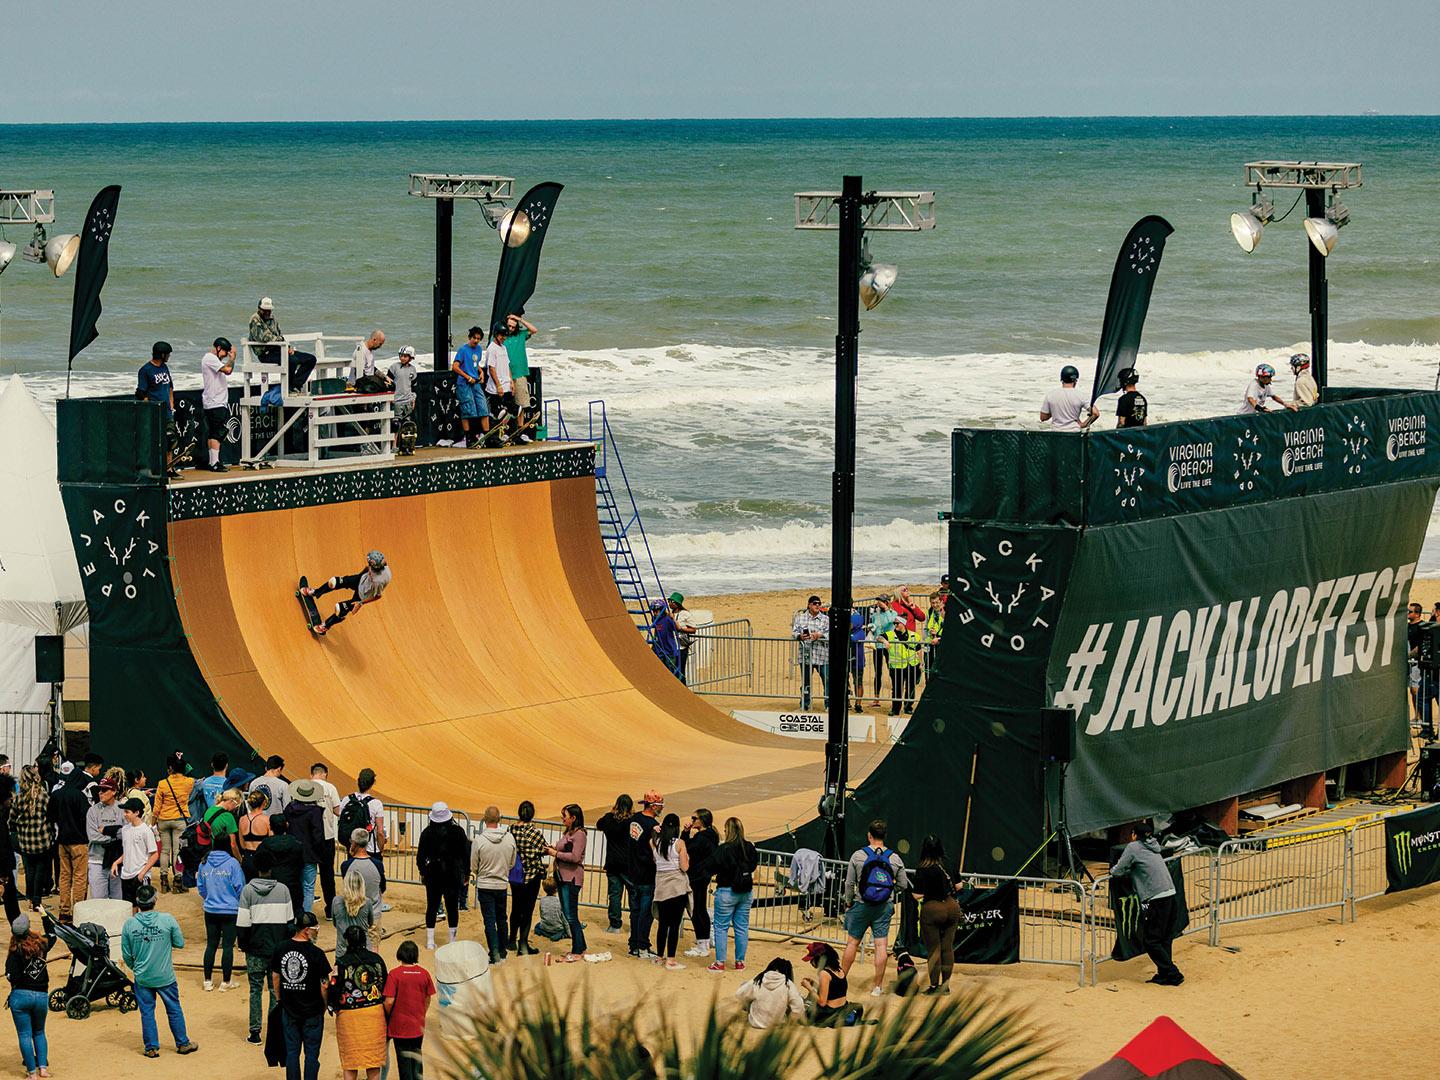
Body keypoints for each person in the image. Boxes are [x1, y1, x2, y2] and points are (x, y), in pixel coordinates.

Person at [121, 884, 200, 1058]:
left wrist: (137, 968)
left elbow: (126, 954)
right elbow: (179, 943)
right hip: (165, 976)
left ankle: (151, 1047)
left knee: (147, 1012)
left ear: (137, 902)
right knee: (174, 1009)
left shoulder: (129, 924)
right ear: (155, 900)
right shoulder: (168, 919)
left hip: (142, 977)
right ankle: (183, 1043)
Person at [840, 819, 910, 996]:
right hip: (884, 906)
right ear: (885, 836)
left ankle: (840, 978)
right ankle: (877, 986)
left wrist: (848, 902)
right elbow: (903, 884)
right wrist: (889, 892)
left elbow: (849, 883)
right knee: (881, 945)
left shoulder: (858, 856)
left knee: (852, 943)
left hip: (861, 904)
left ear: (869, 835)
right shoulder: (894, 858)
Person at [1110, 819, 1184, 986]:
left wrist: (1113, 871)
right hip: (1170, 893)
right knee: (1164, 938)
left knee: (1151, 940)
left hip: (1158, 897)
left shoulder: (1133, 847)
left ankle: (1173, 973)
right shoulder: (1154, 846)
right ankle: (1164, 974)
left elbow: (1119, 869)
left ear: (1134, 835)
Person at [237, 848, 292, 1044]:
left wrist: (244, 945)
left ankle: (255, 1032)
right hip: (277, 949)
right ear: (272, 867)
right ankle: (274, 1031)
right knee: (275, 990)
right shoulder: (283, 890)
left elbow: (242, 924)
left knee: (255, 990)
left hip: (255, 948)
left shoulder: (248, 891)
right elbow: (290, 924)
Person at [271, 911, 331, 1080]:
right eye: (315, 929)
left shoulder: (281, 948)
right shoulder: (317, 953)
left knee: (292, 1053)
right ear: (306, 930)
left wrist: (279, 998)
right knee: (311, 1055)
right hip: (312, 1011)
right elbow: (324, 985)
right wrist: (324, 1005)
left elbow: (276, 976)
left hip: (289, 1009)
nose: (317, 932)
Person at [329, 924, 388, 1080]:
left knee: (350, 1060)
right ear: (365, 940)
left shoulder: (341, 962)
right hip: (374, 1013)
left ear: (347, 941)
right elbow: (385, 985)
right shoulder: (377, 960)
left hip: (349, 1016)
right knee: (373, 1059)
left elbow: (334, 988)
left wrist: (334, 1007)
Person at [6, 910, 56, 1078]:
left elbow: (12, 977)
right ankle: (43, 1068)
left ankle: (32, 1073)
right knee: (39, 1032)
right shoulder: (41, 945)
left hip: (20, 997)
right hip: (41, 995)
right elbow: (53, 933)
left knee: (24, 1034)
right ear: (28, 929)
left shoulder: (14, 952)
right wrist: (44, 915)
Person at [707, 816, 757, 973]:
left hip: (727, 891)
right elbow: (753, 865)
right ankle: (740, 961)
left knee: (721, 927)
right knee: (742, 927)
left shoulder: (724, 848)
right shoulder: (749, 847)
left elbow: (712, 866)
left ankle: (720, 962)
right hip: (745, 891)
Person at [911, 834, 961, 994]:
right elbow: (959, 885)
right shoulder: (949, 863)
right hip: (952, 907)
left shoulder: (923, 868)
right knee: (948, 948)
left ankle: (934, 985)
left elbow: (916, 895)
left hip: (932, 909)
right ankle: (946, 986)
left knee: (934, 949)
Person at [415, 801, 468, 950]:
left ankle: (430, 941)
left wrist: (423, 872)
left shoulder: (427, 832)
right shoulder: (458, 832)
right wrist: (466, 874)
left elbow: (420, 858)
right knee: (452, 907)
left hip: (433, 873)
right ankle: (452, 940)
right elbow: (465, 855)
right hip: (452, 873)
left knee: (432, 906)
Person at [196, 835, 245, 991]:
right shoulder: (233, 863)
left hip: (210, 909)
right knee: (228, 946)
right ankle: (225, 982)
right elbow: (240, 887)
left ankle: (207, 981)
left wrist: (210, 898)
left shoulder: (204, 863)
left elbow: (201, 888)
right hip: (230, 910)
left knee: (211, 944)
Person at [302, 552, 392, 637]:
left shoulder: (378, 581)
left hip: (362, 595)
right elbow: (368, 567)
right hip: (360, 579)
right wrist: (357, 577)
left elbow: (378, 596)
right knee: (334, 582)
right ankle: (314, 592)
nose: (369, 565)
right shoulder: (381, 562)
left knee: (340, 609)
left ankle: (325, 626)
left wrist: (360, 603)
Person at [383, 940, 435, 1080]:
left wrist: (389, 1015)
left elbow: (389, 1001)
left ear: (400, 954)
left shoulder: (394, 974)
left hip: (399, 1025)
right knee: (416, 1057)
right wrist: (422, 1013)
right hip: (418, 1024)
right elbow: (428, 998)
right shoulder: (424, 973)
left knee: (404, 1061)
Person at [470, 806, 515, 965]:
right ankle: (502, 952)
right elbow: (512, 862)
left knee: (489, 920)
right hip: (501, 883)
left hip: (485, 884)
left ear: (485, 819)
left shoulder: (479, 840)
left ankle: (494, 953)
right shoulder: (509, 838)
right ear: (499, 819)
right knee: (502, 918)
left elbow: (474, 865)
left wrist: (482, 872)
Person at [48, 761, 91, 918]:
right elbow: (87, 817)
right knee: (79, 877)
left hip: (62, 841)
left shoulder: (56, 794)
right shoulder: (79, 796)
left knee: (64, 877)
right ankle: (78, 911)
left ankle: (64, 912)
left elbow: (50, 816)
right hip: (79, 841)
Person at [249, 296, 317, 391]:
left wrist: (288, 347)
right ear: (259, 309)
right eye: (265, 310)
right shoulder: (255, 319)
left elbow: (279, 335)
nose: (267, 312)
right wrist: (280, 341)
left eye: (269, 310)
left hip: (279, 349)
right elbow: (265, 337)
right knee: (292, 360)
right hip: (266, 354)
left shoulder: (273, 319)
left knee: (310, 359)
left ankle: (295, 385)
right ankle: (288, 387)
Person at [507, 801, 549, 956]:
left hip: (515, 875)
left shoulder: (510, 829)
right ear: (532, 815)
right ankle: (523, 944)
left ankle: (511, 940)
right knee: (527, 910)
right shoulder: (534, 833)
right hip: (531, 875)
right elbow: (544, 849)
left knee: (516, 907)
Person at [547, 803, 588, 962]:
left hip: (571, 878)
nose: (562, 818)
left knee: (571, 916)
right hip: (563, 877)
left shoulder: (580, 835)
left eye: (565, 816)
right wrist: (553, 849)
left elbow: (575, 857)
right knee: (569, 914)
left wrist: (555, 853)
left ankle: (577, 950)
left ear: (574, 817)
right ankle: (581, 947)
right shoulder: (570, 832)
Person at [650, 812, 690, 970]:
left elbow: (654, 851)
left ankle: (659, 956)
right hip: (676, 887)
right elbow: (684, 867)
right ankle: (671, 959)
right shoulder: (680, 844)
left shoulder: (655, 843)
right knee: (674, 925)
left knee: (663, 924)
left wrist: (655, 831)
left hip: (661, 887)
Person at [9, 767, 50, 913]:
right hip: (42, 840)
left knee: (29, 870)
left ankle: (30, 899)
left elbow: (11, 820)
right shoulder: (43, 795)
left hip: (25, 840)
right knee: (40, 871)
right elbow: (50, 815)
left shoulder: (19, 798)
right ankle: (37, 901)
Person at [136, 341, 180, 479]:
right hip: (154, 412)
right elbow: (141, 394)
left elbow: (170, 387)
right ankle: (152, 470)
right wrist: (148, 412)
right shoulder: (145, 370)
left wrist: (171, 406)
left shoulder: (165, 368)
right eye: (167, 354)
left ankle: (169, 468)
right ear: (161, 354)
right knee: (154, 442)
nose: (169, 356)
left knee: (170, 439)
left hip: (167, 412)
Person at [626, 791, 662, 959]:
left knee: (635, 911)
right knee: (645, 913)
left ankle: (634, 945)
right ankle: (642, 946)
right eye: (660, 806)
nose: (660, 809)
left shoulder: (634, 819)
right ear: (654, 806)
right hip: (647, 874)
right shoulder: (653, 826)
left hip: (632, 873)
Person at [284, 780, 327, 915]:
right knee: (308, 887)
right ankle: (306, 917)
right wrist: (320, 852)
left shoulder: (289, 808)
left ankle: (294, 914)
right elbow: (318, 835)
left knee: (295, 884)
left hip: (293, 852)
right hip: (309, 854)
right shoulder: (315, 812)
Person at [682, 808, 718, 958]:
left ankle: (702, 944)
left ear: (701, 820)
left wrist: (685, 833)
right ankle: (703, 943)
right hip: (702, 877)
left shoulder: (702, 838)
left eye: (694, 818)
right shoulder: (710, 836)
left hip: (697, 878)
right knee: (699, 910)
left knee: (696, 911)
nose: (691, 820)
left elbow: (685, 849)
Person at [596, 794, 634, 933]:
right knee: (633, 895)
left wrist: (611, 813)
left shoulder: (609, 818)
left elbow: (599, 825)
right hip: (628, 864)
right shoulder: (632, 820)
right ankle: (634, 924)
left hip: (612, 862)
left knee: (615, 895)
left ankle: (615, 924)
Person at [734, 956, 806, 1030]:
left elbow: (739, 994)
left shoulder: (759, 979)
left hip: (755, 1023)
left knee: (747, 988)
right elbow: (799, 1007)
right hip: (776, 1025)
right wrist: (790, 1021)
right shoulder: (788, 984)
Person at [307, 763, 342, 913]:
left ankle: (306, 909)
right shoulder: (330, 787)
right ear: (325, 774)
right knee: (328, 874)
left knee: (307, 874)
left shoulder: (305, 786)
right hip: (327, 836)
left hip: (308, 838)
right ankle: (330, 909)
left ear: (312, 774)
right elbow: (337, 810)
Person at [450, 326, 492, 448]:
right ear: (469, 337)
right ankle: (469, 436)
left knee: (483, 408)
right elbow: (455, 366)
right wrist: (467, 377)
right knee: (468, 410)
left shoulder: (478, 349)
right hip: (464, 383)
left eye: (478, 338)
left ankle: (486, 434)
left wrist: (481, 372)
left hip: (476, 382)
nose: (476, 341)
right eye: (474, 338)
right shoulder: (463, 350)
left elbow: (475, 363)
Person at [261, 815, 307, 923]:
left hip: (271, 885)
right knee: (294, 912)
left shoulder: (265, 844)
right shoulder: (296, 844)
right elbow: (301, 864)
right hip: (292, 884)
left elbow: (260, 863)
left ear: (271, 827)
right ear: (286, 825)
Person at [113, 797, 159, 903]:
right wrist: (116, 862)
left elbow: (155, 854)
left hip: (140, 875)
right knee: (129, 906)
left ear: (137, 812)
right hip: (126, 875)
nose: (124, 814)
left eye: (127, 812)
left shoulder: (146, 831)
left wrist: (142, 873)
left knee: (144, 905)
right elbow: (128, 851)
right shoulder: (125, 829)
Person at [85, 777, 125, 901]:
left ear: (113, 791)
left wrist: (106, 831)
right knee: (98, 901)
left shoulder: (122, 809)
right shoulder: (92, 811)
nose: (100, 793)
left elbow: (125, 834)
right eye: (99, 790)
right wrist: (114, 836)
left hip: (117, 861)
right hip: (97, 860)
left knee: (118, 901)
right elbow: (92, 836)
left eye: (104, 790)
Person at [200, 337, 235, 472]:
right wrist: (233, 358)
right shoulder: (210, 358)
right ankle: (214, 462)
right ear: (219, 348)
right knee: (217, 433)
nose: (226, 355)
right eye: (225, 352)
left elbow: (228, 370)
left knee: (214, 433)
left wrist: (230, 360)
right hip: (215, 401)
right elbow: (227, 370)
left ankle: (212, 461)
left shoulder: (212, 360)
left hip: (214, 401)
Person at [800, 942, 853, 1027]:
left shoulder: (824, 973)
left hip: (830, 1011)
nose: (811, 962)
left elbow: (822, 1002)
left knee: (805, 1010)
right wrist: (814, 983)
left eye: (812, 959)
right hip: (842, 1007)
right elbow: (834, 990)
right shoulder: (839, 970)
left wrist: (809, 987)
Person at [502, 312, 538, 438]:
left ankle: (520, 432)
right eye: (509, 326)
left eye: (513, 326)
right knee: (506, 406)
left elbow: (534, 330)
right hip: (505, 375)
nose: (511, 329)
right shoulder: (501, 337)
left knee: (522, 405)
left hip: (520, 374)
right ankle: (504, 431)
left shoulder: (521, 335)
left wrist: (519, 319)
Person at [792, 595, 829, 711]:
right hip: (806, 655)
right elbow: (794, 633)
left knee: (827, 680)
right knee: (806, 682)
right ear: (809, 605)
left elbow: (831, 634)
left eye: (819, 603)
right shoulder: (800, 618)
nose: (817, 605)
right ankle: (805, 704)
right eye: (815, 603)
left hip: (822, 655)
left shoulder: (826, 619)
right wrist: (800, 636)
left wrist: (820, 635)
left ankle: (828, 704)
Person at [340, 828, 384, 924]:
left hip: (353, 915)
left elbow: (347, 885)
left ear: (354, 843)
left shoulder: (346, 865)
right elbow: (382, 887)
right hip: (373, 914)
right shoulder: (377, 864)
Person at [482, 322, 516, 443]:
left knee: (512, 411)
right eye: (501, 335)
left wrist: (511, 381)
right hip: (495, 388)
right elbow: (491, 369)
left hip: (506, 385)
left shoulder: (503, 347)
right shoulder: (492, 348)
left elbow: (507, 365)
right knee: (497, 413)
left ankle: (508, 434)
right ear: (496, 334)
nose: (503, 338)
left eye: (505, 336)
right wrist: (498, 385)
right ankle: (494, 437)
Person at [1040, 365, 1098, 431]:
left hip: (1056, 433)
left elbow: (1043, 418)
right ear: (1075, 380)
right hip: (1074, 433)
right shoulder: (1081, 395)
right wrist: (1083, 424)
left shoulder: (1051, 395)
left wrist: (1054, 410)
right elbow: (1096, 413)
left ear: (1062, 379)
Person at [334, 867, 377, 953]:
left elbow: (335, 923)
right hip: (364, 949)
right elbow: (370, 923)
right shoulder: (367, 902)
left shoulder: (336, 901)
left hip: (343, 950)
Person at [885, 620, 921, 716]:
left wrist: (922, 663)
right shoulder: (890, 634)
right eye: (894, 623)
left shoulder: (914, 635)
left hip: (912, 665)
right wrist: (885, 641)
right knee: (897, 688)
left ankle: (908, 707)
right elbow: (879, 637)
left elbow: (919, 650)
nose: (895, 625)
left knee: (910, 687)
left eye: (897, 623)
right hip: (897, 666)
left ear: (903, 624)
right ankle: (895, 709)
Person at [389, 346, 420, 451]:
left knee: (407, 425)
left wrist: (413, 398)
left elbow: (413, 386)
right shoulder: (394, 367)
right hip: (396, 400)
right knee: (395, 424)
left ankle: (406, 445)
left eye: (405, 356)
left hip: (408, 400)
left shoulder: (412, 370)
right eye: (401, 356)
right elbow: (388, 383)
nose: (402, 358)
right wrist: (390, 397)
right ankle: (393, 445)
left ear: (411, 357)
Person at [238, 789, 274, 873]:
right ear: (264, 803)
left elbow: (242, 843)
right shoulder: (266, 820)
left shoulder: (242, 819)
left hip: (247, 857)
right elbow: (271, 841)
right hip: (261, 858)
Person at [869, 596, 895, 709]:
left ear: (886, 602)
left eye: (881, 602)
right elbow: (875, 627)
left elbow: (890, 621)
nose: (879, 604)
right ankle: (876, 698)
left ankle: (895, 696)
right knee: (877, 672)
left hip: (889, 645)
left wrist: (887, 609)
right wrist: (872, 629)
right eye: (878, 602)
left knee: (892, 670)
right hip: (878, 645)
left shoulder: (893, 613)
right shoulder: (875, 615)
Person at [204, 788, 244, 861]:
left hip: (209, 852)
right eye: (236, 805)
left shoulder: (209, 810)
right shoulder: (228, 816)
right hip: (223, 855)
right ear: (231, 801)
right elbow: (233, 844)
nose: (235, 808)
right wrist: (240, 860)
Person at [649, 598, 682, 677]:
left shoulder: (667, 619)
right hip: (659, 649)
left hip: (669, 650)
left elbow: (678, 628)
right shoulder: (655, 619)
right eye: (654, 611)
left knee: (670, 672)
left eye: (657, 611)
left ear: (662, 610)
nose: (655, 613)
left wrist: (673, 618)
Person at [533, 877, 569, 941]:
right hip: (557, 928)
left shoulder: (542, 900)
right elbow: (564, 919)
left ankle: (544, 932)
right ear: (556, 889)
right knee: (565, 928)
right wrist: (569, 932)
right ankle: (560, 935)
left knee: (537, 926)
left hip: (545, 927)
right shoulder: (560, 901)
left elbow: (542, 914)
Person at [923, 591, 945, 679]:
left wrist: (938, 638)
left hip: (941, 646)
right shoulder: (929, 612)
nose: (935, 605)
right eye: (933, 603)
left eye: (937, 602)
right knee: (928, 671)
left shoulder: (946, 613)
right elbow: (925, 628)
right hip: (929, 646)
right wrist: (925, 642)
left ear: (941, 602)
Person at [849, 609, 867, 713]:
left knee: (858, 682)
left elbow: (853, 639)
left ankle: (858, 703)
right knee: (846, 682)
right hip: (847, 659)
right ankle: (847, 700)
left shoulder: (860, 632)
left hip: (858, 661)